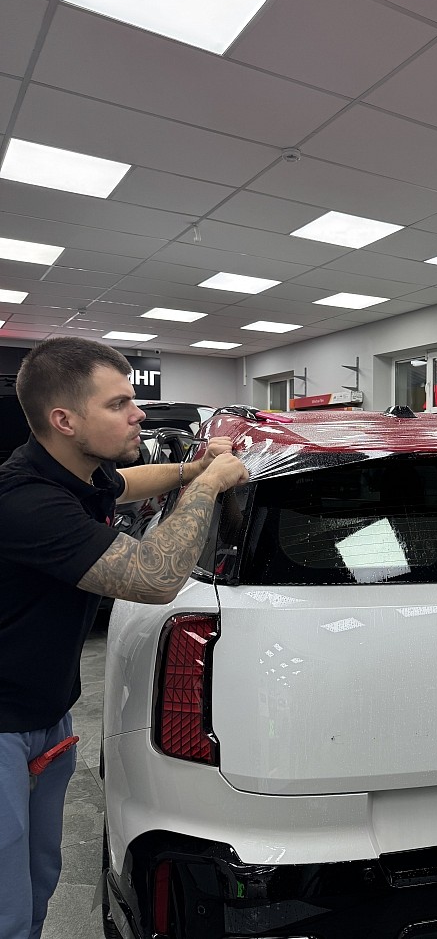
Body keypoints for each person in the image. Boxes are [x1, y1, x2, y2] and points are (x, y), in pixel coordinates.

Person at [0, 337, 248, 939]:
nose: (138, 414)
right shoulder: (26, 502)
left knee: (38, 875)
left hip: (47, 715)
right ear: (65, 420)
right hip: (2, 725)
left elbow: (127, 483)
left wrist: (191, 470)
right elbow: (153, 578)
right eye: (118, 404)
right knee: (4, 901)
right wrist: (208, 488)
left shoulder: (77, 475)